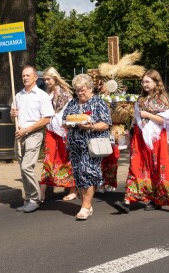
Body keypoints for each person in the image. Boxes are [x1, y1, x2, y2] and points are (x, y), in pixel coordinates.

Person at [114, 70, 169, 213]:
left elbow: (166, 120)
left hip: (156, 139)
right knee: (136, 166)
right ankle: (127, 200)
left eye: (147, 81)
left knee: (155, 168)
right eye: (143, 82)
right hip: (139, 137)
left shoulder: (162, 99)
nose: (144, 84)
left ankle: (157, 199)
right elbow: (136, 118)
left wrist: (148, 114)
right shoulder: (141, 99)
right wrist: (130, 132)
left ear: (156, 82)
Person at [62, 74, 112, 220]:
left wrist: (91, 126)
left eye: (82, 90)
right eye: (77, 90)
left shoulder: (98, 102)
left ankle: (85, 206)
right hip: (75, 144)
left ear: (90, 88)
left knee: (88, 172)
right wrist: (71, 122)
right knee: (78, 174)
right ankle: (87, 204)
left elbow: (106, 123)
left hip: (92, 145)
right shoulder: (73, 103)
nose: (79, 93)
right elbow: (64, 120)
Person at [11, 66, 55, 213]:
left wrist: (27, 130)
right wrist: (13, 114)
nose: (25, 78)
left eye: (28, 75)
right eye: (23, 75)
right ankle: (28, 198)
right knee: (22, 169)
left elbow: (47, 118)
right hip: (19, 135)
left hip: (33, 134)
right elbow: (13, 118)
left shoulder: (42, 96)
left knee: (26, 166)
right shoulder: (18, 95)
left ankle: (35, 199)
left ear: (36, 77)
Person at [39, 67, 78, 201]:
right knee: (48, 158)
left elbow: (70, 112)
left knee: (66, 158)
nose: (46, 82)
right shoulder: (46, 94)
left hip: (63, 130)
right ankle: (42, 192)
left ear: (55, 78)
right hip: (50, 130)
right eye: (44, 80)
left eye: (48, 79)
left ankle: (73, 189)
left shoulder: (66, 94)